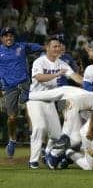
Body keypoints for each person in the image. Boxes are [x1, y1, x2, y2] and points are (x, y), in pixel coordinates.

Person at [26, 35, 82, 169]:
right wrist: (57, 74)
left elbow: (75, 77)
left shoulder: (61, 63)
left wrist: (89, 83)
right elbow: (39, 77)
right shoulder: (40, 61)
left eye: (59, 46)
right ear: (47, 48)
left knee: (57, 135)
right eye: (54, 46)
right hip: (35, 98)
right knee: (39, 127)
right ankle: (33, 161)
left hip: (49, 101)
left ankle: (48, 154)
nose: (58, 48)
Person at [0, 26, 43, 158]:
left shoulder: (22, 46)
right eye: (6, 36)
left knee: (31, 113)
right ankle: (12, 140)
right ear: (2, 38)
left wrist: (52, 48)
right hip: (9, 87)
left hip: (25, 84)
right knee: (12, 118)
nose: (9, 38)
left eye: (11, 35)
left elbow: (42, 48)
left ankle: (36, 142)